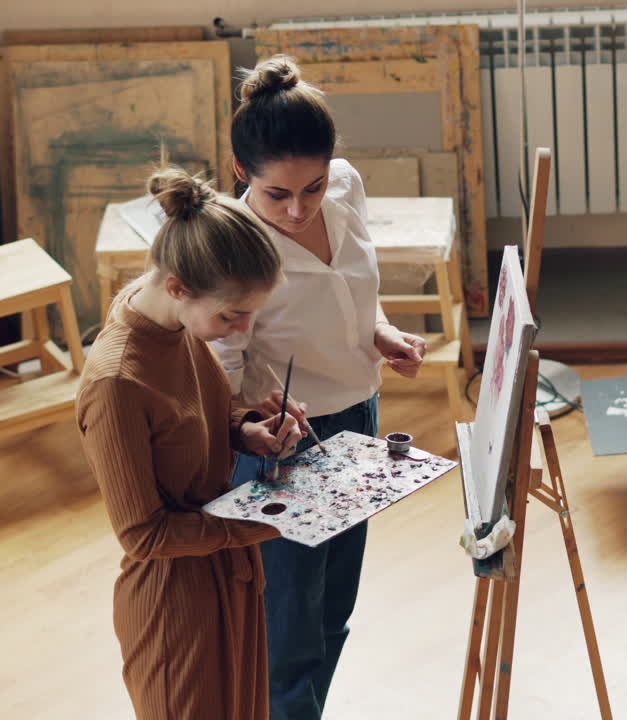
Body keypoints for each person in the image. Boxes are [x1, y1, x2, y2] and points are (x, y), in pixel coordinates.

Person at [212, 55, 428, 719]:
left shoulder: (347, 187)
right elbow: (219, 369)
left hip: (360, 419)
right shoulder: (232, 247)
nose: (299, 207)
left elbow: (355, 290)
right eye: (278, 194)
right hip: (286, 443)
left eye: (314, 185)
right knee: (288, 634)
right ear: (241, 170)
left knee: (335, 610)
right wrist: (243, 427)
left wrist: (379, 331)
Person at [76, 165, 306, 720]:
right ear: (179, 287)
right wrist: (268, 521)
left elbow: (189, 416)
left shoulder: (171, 320)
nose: (243, 330)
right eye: (233, 315)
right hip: (174, 604)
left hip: (227, 571)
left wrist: (245, 431)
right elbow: (143, 534)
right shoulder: (116, 382)